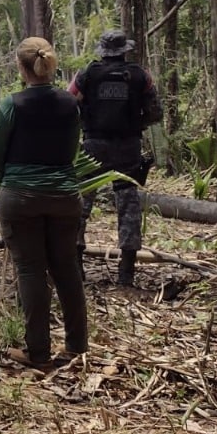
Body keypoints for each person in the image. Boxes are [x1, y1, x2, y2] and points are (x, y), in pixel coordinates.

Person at [0, 37, 88, 371]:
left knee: (31, 270)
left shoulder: (11, 105)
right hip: (65, 196)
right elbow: (72, 150)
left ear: (20, 66)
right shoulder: (70, 103)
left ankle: (39, 352)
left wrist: (13, 181)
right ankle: (77, 345)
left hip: (20, 197)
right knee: (66, 268)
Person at [69, 29, 163, 286]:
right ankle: (126, 274)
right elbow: (156, 113)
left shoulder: (86, 74)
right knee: (128, 205)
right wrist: (136, 125)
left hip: (93, 147)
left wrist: (84, 125)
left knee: (81, 204)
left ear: (103, 50)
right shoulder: (140, 76)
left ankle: (76, 266)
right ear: (124, 51)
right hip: (127, 147)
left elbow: (68, 102)